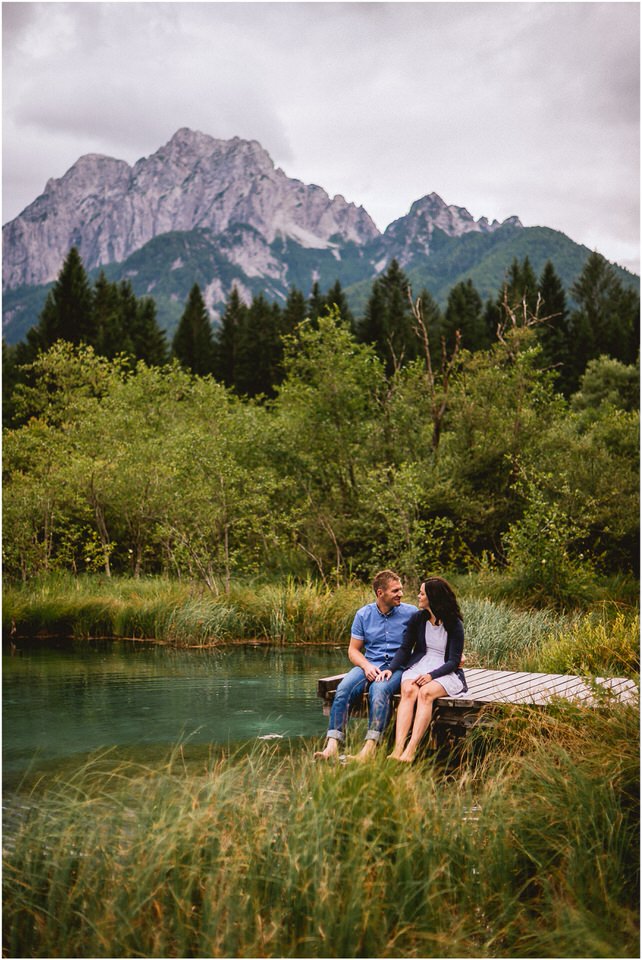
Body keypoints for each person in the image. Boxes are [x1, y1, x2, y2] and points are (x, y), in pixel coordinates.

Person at [314, 570, 417, 761]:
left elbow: (435, 633)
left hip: (397, 667)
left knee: (379, 691)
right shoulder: (363, 615)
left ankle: (370, 748)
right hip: (370, 664)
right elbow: (353, 651)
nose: (400, 594)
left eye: (401, 589)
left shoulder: (411, 613)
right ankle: (333, 745)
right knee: (343, 690)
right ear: (380, 593)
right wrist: (367, 666)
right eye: (395, 590)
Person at [383, 576, 467, 763]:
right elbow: (405, 648)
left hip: (445, 670)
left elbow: (453, 661)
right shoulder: (417, 619)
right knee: (409, 689)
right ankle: (397, 750)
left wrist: (431, 676)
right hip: (420, 664)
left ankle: (410, 751)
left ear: (432, 597)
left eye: (422, 593)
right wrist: (391, 668)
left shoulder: (454, 624)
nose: (418, 596)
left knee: (426, 693)